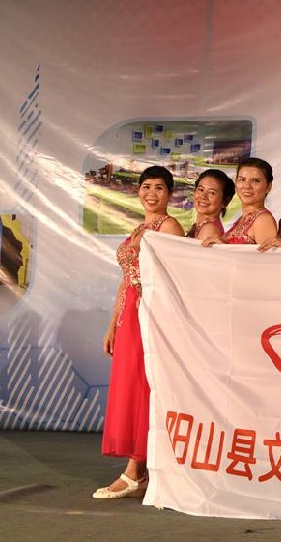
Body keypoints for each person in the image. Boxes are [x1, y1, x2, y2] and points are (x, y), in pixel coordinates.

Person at [95, 165, 184, 499]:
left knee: (146, 385)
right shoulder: (139, 228)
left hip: (151, 313)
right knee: (132, 385)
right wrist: (112, 324)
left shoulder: (170, 227)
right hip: (129, 316)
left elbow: (176, 276)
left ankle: (136, 470)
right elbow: (125, 280)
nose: (151, 193)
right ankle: (140, 467)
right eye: (146, 186)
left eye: (159, 187)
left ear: (170, 194)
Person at [202, 157, 278, 247]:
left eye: (256, 181)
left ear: (268, 187)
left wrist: (224, 248)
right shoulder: (241, 219)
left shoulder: (263, 220)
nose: (247, 186)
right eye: (242, 179)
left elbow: (268, 256)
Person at [185, 169, 234, 240]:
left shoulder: (209, 229)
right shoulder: (201, 225)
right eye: (201, 189)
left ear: (224, 202)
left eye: (212, 193)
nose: (203, 196)